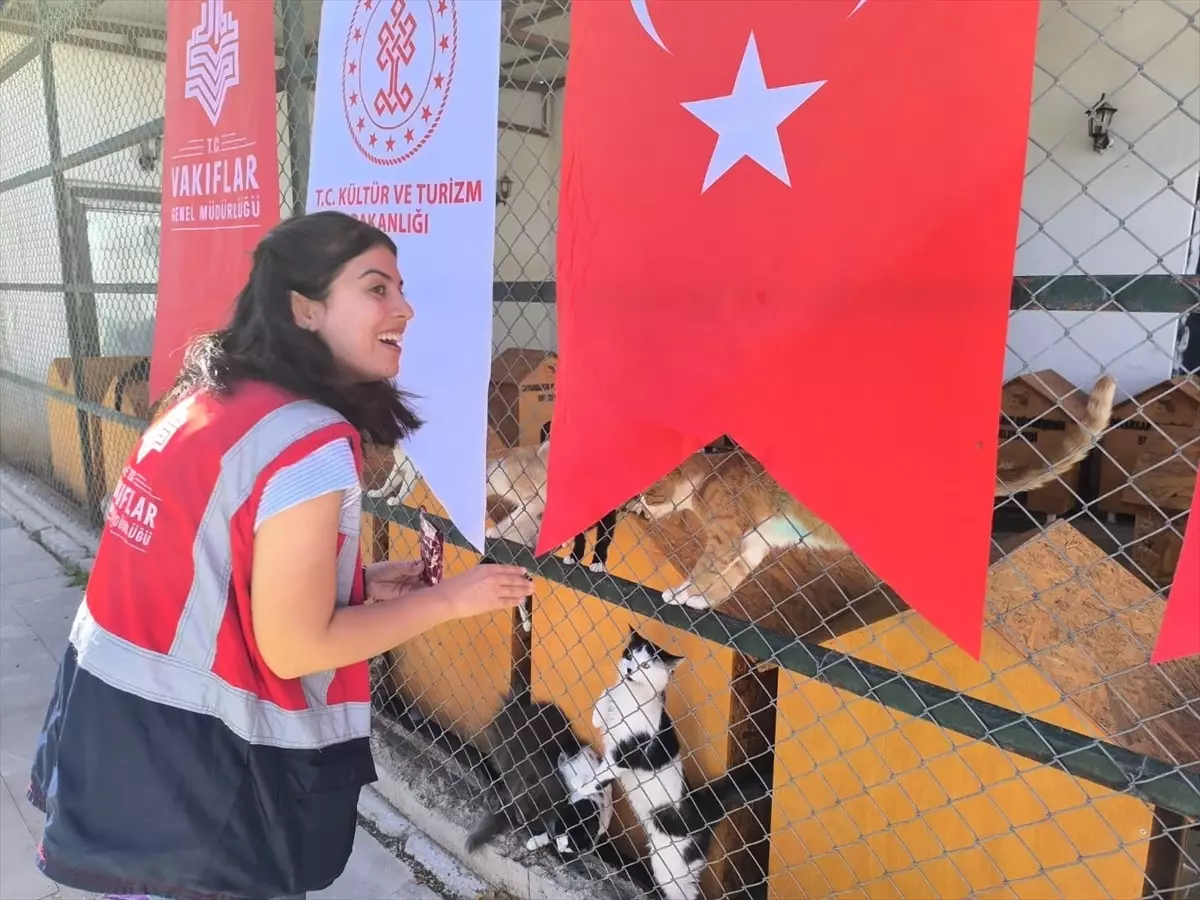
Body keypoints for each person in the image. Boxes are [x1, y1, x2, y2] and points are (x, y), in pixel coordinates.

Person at [27, 211, 531, 900]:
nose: (405, 308)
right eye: (376, 288)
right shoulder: (309, 438)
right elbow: (295, 648)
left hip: (114, 731)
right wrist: (448, 600)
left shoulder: (206, 401)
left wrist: (357, 583)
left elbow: (213, 565)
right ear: (305, 307)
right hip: (199, 777)